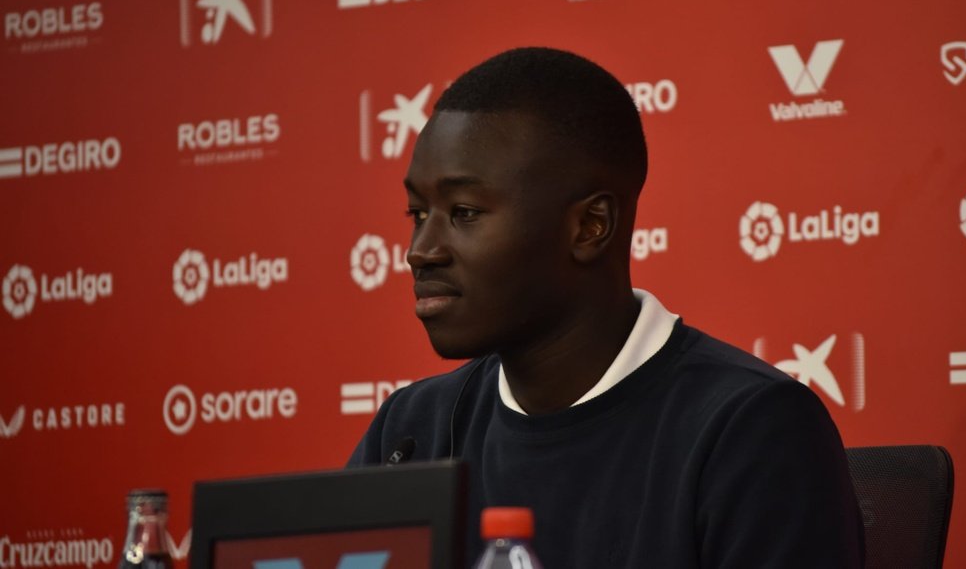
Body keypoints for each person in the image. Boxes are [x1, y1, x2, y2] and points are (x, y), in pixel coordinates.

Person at [348, 47, 865, 567]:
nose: (421, 250)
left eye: (464, 212)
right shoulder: (411, 431)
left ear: (590, 226)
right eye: (418, 213)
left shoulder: (749, 428)